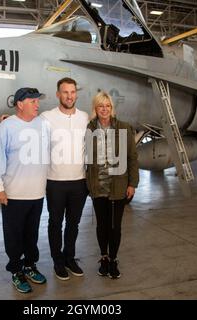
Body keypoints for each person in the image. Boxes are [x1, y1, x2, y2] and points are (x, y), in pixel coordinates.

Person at [0, 87, 50, 293]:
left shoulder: (43, 124)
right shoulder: (6, 127)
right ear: (20, 104)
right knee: (14, 235)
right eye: (33, 101)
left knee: (31, 234)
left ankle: (30, 266)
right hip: (14, 194)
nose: (37, 104)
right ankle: (16, 270)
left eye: (37, 101)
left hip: (37, 193)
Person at [85, 91, 139, 279]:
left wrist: (133, 184)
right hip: (98, 187)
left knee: (115, 227)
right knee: (102, 226)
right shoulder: (89, 129)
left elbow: (132, 158)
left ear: (111, 109)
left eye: (108, 106)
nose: (104, 109)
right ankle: (104, 258)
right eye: (101, 106)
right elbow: (86, 159)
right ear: (96, 109)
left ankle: (114, 259)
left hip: (118, 187)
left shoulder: (124, 128)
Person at [40, 78, 89, 281]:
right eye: (65, 92)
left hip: (79, 181)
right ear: (58, 94)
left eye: (72, 92)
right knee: (55, 223)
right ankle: (57, 261)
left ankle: (70, 258)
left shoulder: (84, 117)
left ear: (76, 94)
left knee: (74, 224)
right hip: (55, 182)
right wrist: (9, 120)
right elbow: (28, 129)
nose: (69, 96)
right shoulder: (46, 117)